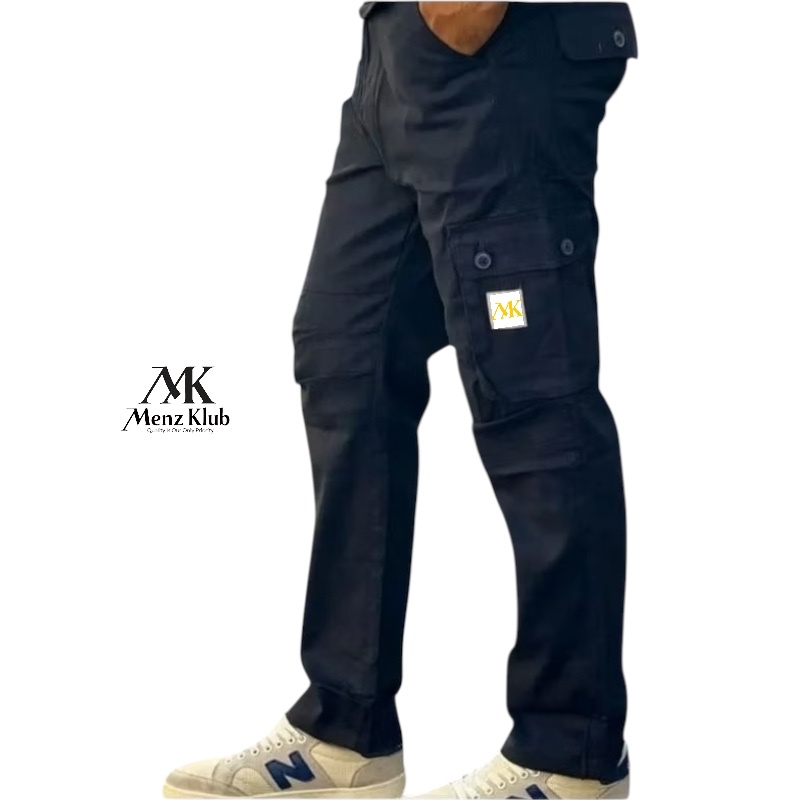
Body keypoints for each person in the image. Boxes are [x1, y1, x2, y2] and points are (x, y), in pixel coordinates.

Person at [163, 2, 637, 798]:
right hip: (397, 54)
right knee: (345, 352)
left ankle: (570, 752)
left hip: (500, 55)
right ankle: (346, 731)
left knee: (533, 400)